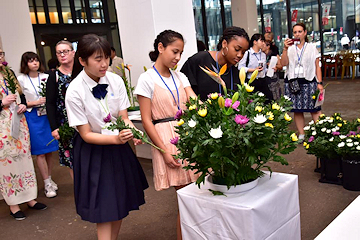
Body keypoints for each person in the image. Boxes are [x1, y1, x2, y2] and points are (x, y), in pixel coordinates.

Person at [65, 34, 148, 240]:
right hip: (93, 150)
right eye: (97, 59)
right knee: (104, 208)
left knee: (119, 203)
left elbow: (124, 118)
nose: (104, 64)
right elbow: (85, 134)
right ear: (82, 61)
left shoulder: (115, 80)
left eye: (106, 58)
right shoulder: (74, 90)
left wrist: (133, 132)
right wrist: (116, 139)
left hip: (117, 147)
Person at [135, 30, 200, 240]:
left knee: (195, 197)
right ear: (160, 48)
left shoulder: (180, 76)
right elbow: (146, 120)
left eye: (181, 53)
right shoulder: (146, 79)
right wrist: (163, 151)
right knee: (186, 199)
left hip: (189, 134)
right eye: (174, 51)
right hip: (167, 139)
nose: (178, 57)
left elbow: (195, 102)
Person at [0, 49, 47, 220]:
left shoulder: (8, 73)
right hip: (1, 127)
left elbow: (20, 96)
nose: (1, 57)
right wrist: (1, 102)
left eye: (1, 53)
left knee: (25, 159)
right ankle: (14, 204)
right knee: (8, 163)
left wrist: (22, 105)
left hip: (18, 121)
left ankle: (30, 199)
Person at [17, 52, 59, 198]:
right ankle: (46, 182)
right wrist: (34, 103)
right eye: (30, 61)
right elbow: (18, 102)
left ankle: (50, 178)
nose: (34, 63)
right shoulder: (20, 79)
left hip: (47, 116)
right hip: (32, 116)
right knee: (40, 151)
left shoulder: (46, 77)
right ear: (25, 63)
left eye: (36, 60)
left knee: (50, 149)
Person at [280, 23, 323, 141]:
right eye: (295, 32)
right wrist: (284, 49)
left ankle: (320, 132)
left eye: (300, 31)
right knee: (297, 110)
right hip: (293, 82)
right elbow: (283, 64)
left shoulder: (312, 47)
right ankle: (301, 134)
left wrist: (320, 83)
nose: (297, 34)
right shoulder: (290, 48)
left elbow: (317, 66)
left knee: (315, 109)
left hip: (309, 81)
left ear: (305, 33)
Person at [181, 26, 250, 100]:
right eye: (237, 49)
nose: (240, 55)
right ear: (224, 43)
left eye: (243, 52)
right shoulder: (199, 60)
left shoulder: (237, 74)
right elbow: (183, 90)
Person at [46, 40, 76, 179]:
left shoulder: (81, 72)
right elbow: (50, 103)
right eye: (59, 52)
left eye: (65, 51)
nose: (62, 55)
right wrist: (54, 127)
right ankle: (80, 192)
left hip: (84, 120)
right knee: (72, 161)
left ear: (73, 52)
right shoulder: (54, 76)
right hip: (65, 124)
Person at [238, 33, 273, 102]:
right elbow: (240, 67)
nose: (263, 43)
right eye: (261, 41)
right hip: (251, 81)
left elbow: (264, 69)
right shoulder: (247, 53)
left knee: (269, 100)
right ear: (255, 42)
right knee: (253, 102)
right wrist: (253, 70)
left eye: (263, 41)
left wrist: (270, 69)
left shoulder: (263, 55)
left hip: (262, 80)